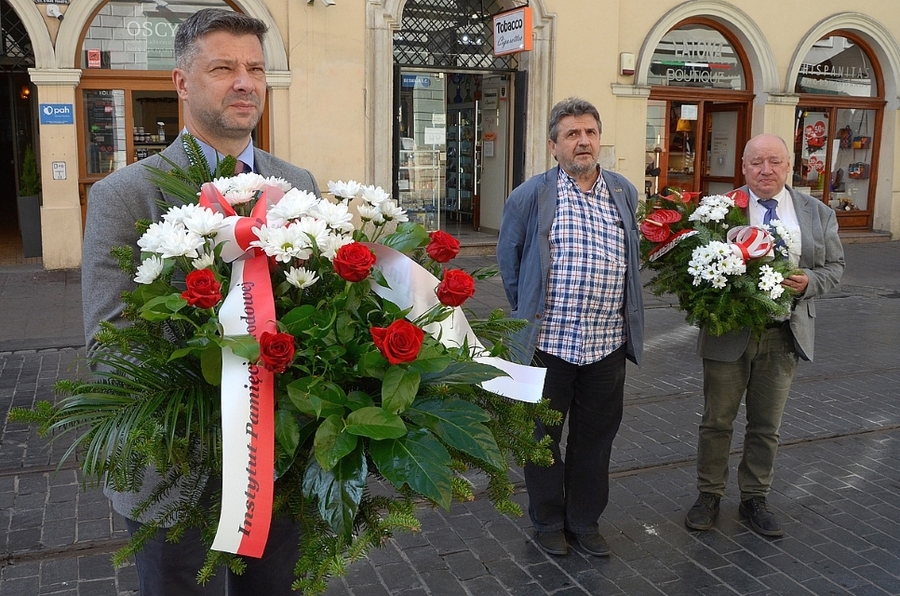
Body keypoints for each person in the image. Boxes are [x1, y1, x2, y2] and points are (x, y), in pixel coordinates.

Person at [81, 9, 319, 595]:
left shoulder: (298, 185)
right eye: (223, 68)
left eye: (256, 68)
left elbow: (326, 311)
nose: (245, 82)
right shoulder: (125, 196)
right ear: (182, 82)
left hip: (280, 470)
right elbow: (108, 346)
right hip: (176, 478)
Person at [497, 97, 644, 557]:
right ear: (553, 145)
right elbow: (510, 260)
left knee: (595, 439)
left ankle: (584, 520)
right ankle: (547, 521)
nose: (583, 142)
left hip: (606, 345)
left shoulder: (623, 191)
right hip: (548, 343)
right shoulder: (530, 195)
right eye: (572, 135)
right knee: (540, 438)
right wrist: (528, 311)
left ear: (599, 139)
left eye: (590, 133)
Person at [684, 134, 844, 537]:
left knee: (766, 424)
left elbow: (835, 268)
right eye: (757, 162)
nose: (765, 169)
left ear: (789, 166)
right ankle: (709, 494)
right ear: (743, 166)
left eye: (774, 161)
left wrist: (808, 280)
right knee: (717, 419)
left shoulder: (817, 213)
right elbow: (691, 269)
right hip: (729, 331)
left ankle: (755, 497)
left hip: (783, 333)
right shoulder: (719, 212)